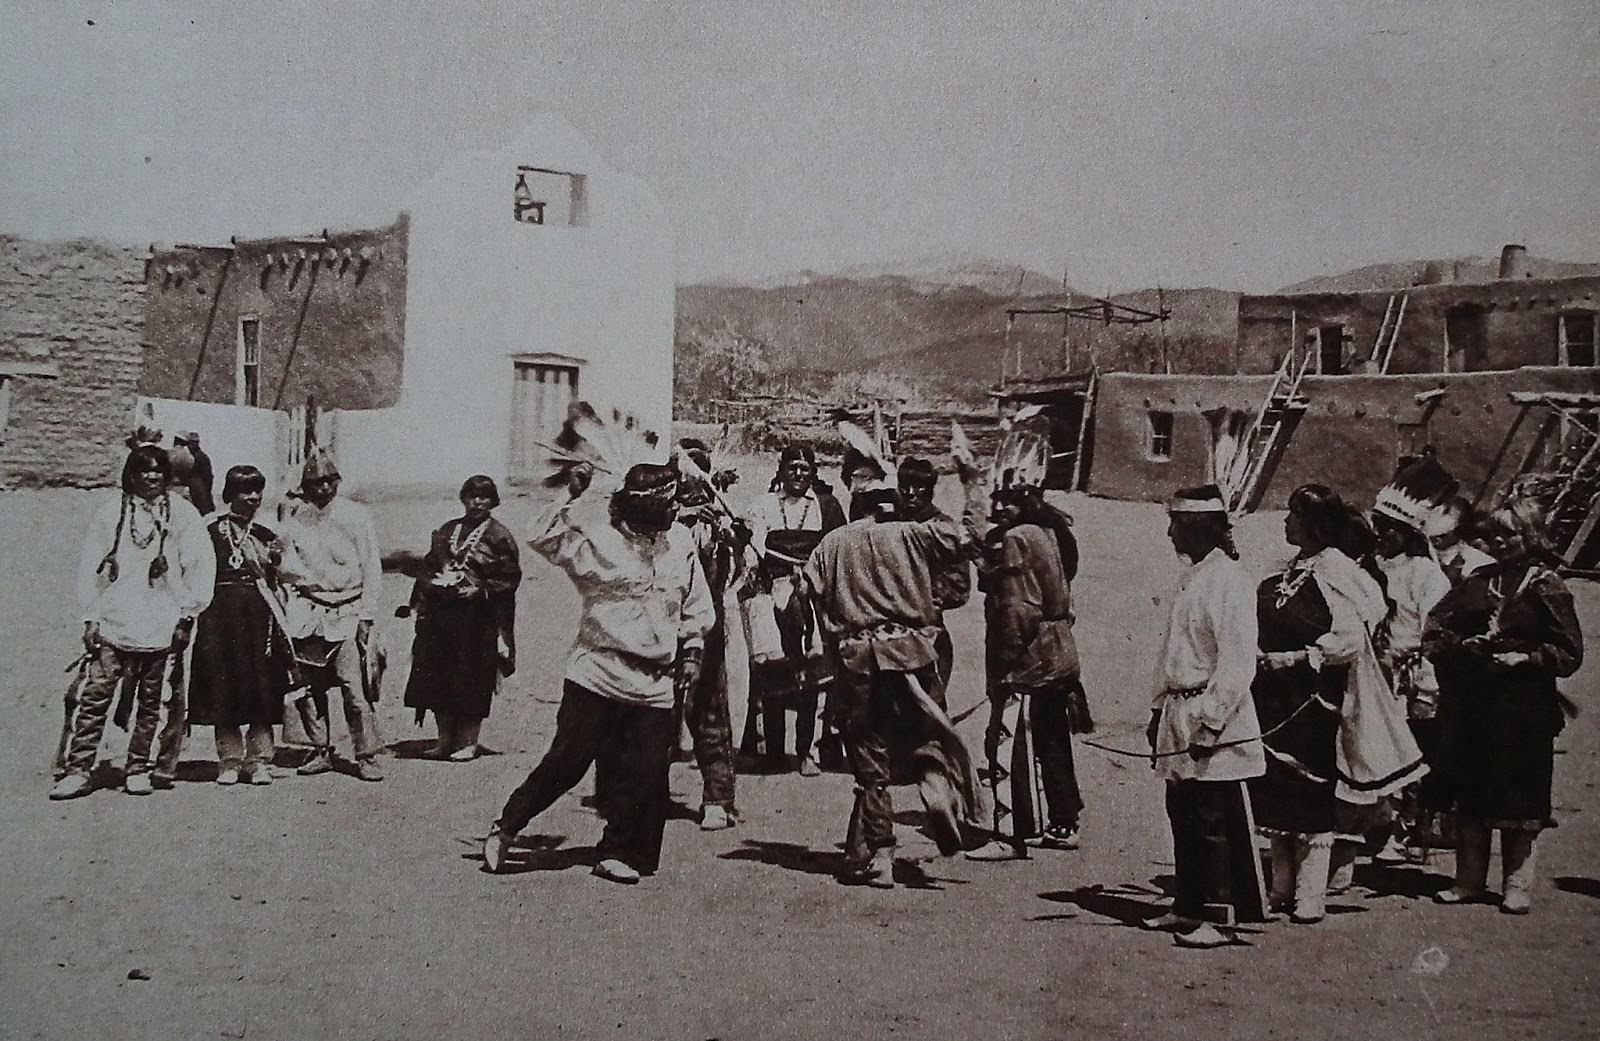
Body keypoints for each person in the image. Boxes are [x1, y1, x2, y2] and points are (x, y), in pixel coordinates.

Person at [484, 459, 715, 884]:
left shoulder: (680, 542)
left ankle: (619, 851)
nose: (674, 511)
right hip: (597, 672)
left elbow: (695, 605)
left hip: (656, 683)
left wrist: (693, 651)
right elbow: (540, 535)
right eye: (666, 503)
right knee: (568, 762)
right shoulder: (598, 542)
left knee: (646, 771)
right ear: (639, 506)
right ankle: (508, 825)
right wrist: (569, 495)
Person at [801, 468, 984, 889]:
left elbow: (806, 589)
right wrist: (974, 486)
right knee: (927, 734)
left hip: (859, 659)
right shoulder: (914, 534)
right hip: (913, 653)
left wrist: (829, 630)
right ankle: (934, 782)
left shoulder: (834, 542)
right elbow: (968, 538)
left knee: (870, 764)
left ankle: (882, 856)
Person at [1424, 496, 1584, 914]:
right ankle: (1469, 881)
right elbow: (1437, 628)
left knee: (1519, 795)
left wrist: (1526, 658)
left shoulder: (1547, 586)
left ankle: (1517, 885)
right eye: (1492, 534)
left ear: (1529, 536)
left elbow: (1569, 653)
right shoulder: (1481, 580)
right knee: (1473, 790)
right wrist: (1463, 647)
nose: (1498, 541)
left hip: (1524, 709)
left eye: (1508, 534)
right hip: (1477, 704)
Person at [1247, 485, 1381, 923]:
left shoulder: (1339, 573)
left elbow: (1351, 638)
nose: (1286, 523)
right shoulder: (1285, 570)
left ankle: (1311, 894)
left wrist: (1300, 656)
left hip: (1313, 699)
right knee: (1275, 788)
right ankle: (1281, 887)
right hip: (1272, 694)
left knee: (1310, 789)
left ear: (1314, 524)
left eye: (1293, 516)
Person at [52, 445, 214, 799]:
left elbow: (200, 567)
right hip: (115, 620)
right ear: (131, 474)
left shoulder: (183, 515)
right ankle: (79, 769)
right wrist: (90, 617)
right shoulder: (112, 512)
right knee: (94, 696)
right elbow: (89, 567)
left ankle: (138, 767)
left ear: (167, 476)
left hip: (161, 621)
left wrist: (187, 615)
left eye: (158, 470)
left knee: (152, 701)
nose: (152, 476)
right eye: (144, 470)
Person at [1142, 485, 1266, 948]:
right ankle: (1187, 906)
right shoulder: (1193, 577)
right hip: (1179, 708)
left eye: (1176, 524)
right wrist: (1158, 710)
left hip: (1213, 714)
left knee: (1212, 819)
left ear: (1198, 527)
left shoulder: (1231, 581)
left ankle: (1219, 915)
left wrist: (1211, 722)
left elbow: (1237, 662)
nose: (1171, 532)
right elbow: (1171, 653)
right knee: (1182, 812)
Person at [966, 478, 1085, 862]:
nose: (1001, 512)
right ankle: (1063, 821)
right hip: (1057, 651)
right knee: (1051, 739)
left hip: (1028, 659)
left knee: (1007, 742)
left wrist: (1006, 661)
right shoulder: (1049, 532)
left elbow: (1017, 606)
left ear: (1025, 504)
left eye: (1008, 505)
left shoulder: (1017, 538)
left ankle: (1010, 834)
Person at [277, 446, 386, 782]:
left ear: (337, 482)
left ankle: (365, 754)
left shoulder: (356, 516)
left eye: (328, 481)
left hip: (349, 611)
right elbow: (285, 566)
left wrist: (366, 615)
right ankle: (320, 748)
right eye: (315, 483)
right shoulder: (296, 521)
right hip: (310, 612)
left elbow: (372, 567)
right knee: (309, 688)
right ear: (304, 487)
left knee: (355, 688)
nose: (322, 488)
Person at [739, 444, 845, 775]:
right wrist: (756, 570)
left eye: (805, 468)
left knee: (814, 675)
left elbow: (836, 548)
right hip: (773, 593)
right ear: (781, 469)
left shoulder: (826, 507)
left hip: (813, 593)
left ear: (813, 472)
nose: (798, 474)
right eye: (792, 467)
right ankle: (773, 750)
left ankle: (807, 752)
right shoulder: (764, 504)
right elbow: (753, 550)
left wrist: (815, 581)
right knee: (773, 672)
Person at [188, 465, 296, 785]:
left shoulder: (266, 534)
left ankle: (259, 760)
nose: (252, 498)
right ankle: (230, 760)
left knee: (261, 687)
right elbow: (196, 572)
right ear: (230, 495)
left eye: (256, 491)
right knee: (223, 687)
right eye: (244, 491)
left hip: (258, 619)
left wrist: (277, 560)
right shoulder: (210, 531)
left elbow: (282, 579)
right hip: (219, 620)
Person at [401, 475, 522, 761]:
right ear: (463, 498)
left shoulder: (499, 536)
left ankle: (468, 742)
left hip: (478, 621)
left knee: (473, 678)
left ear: (493, 501)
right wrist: (428, 589)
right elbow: (429, 565)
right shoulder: (448, 530)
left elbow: (510, 577)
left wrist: (481, 590)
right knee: (438, 675)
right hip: (442, 617)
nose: (477, 502)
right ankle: (444, 740)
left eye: (484, 497)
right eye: (472, 496)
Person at [672, 446, 745, 830]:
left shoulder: (719, 520)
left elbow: (735, 571)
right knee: (650, 712)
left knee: (708, 709)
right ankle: (642, 793)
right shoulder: (659, 518)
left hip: (705, 625)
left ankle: (718, 797)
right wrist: (680, 517)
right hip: (660, 625)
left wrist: (733, 535)